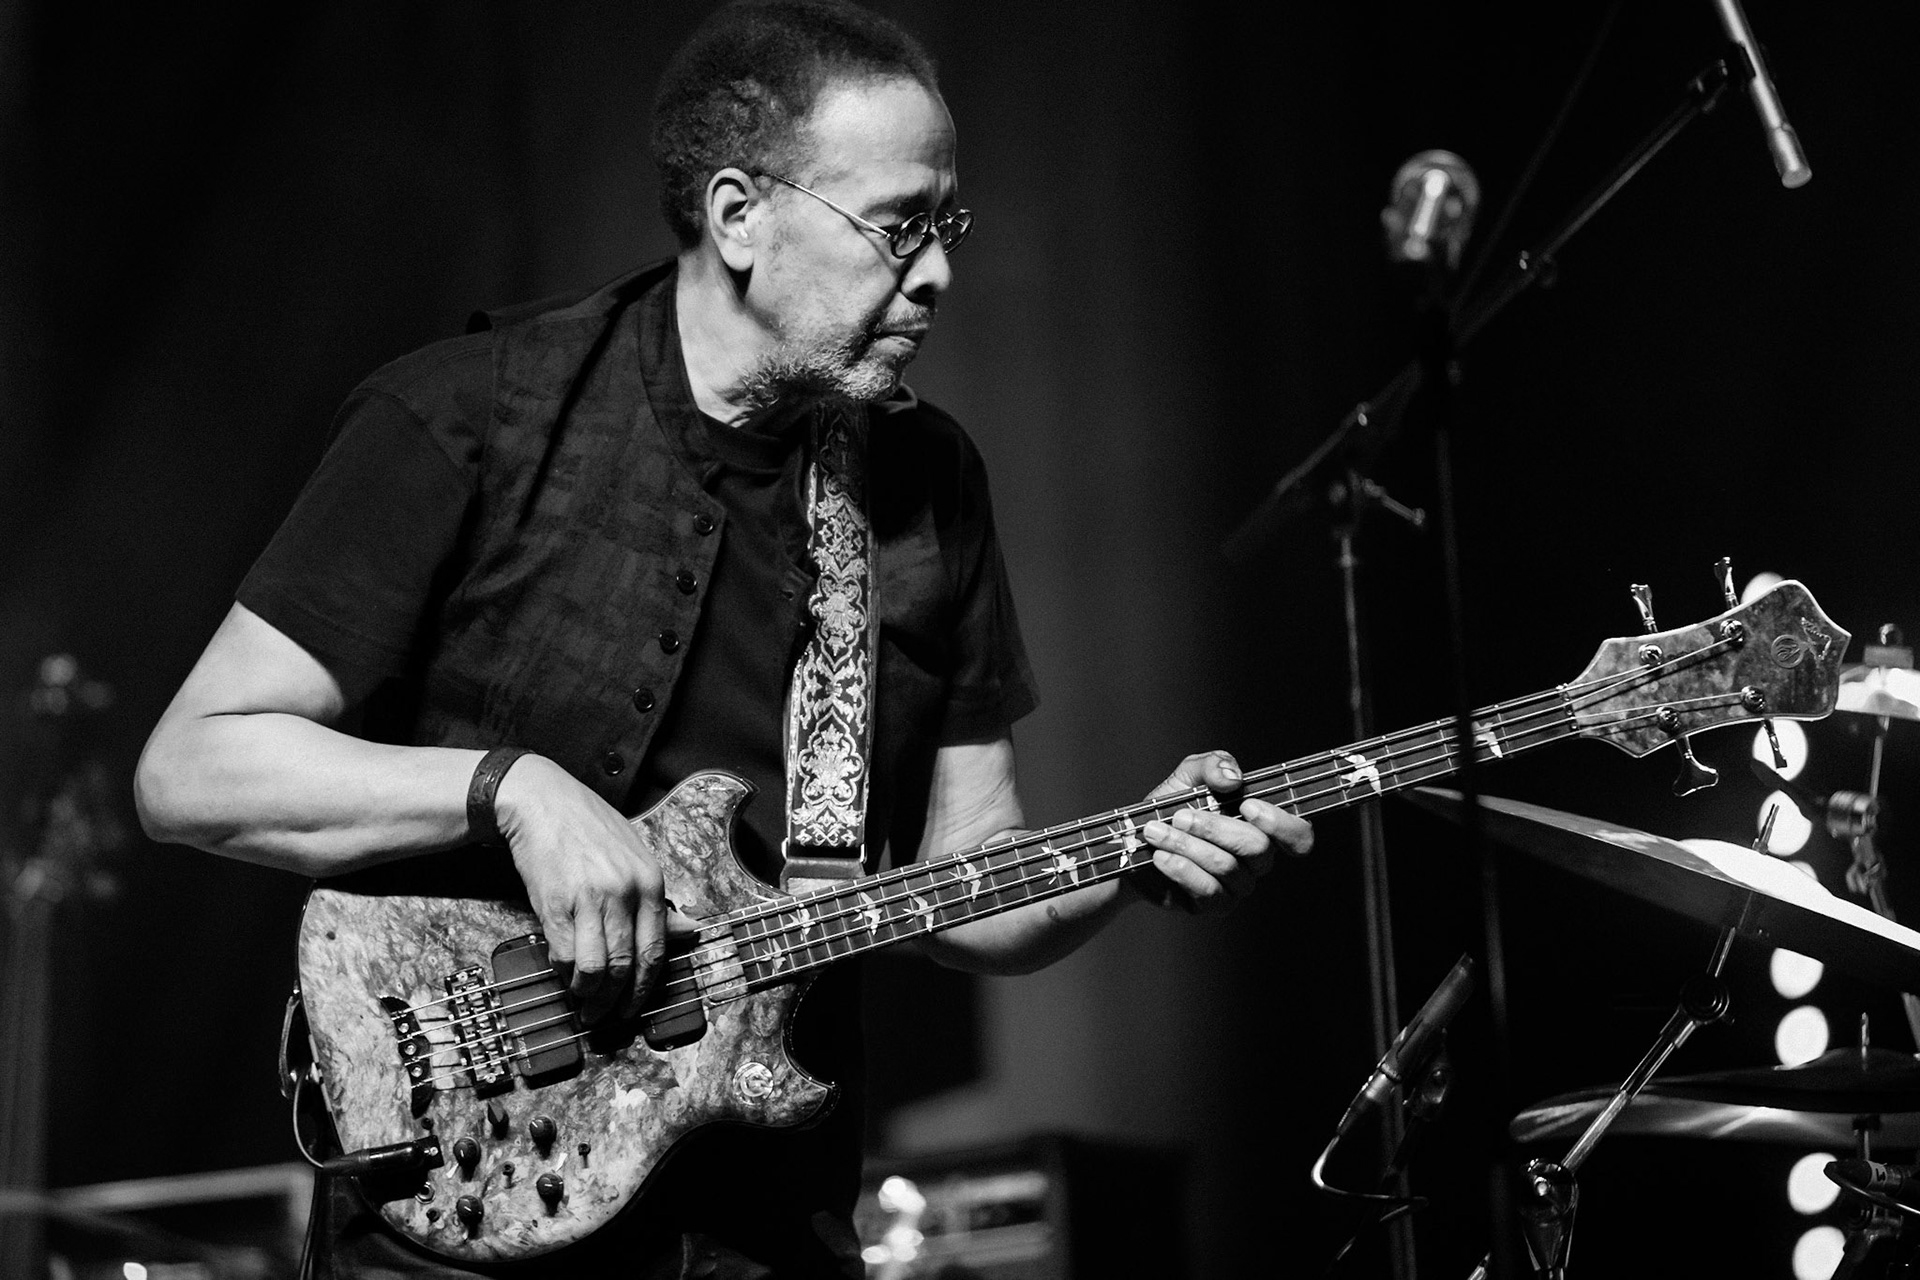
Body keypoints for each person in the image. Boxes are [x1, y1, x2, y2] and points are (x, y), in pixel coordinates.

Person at [134, 2, 1311, 1276]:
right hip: (467, 1201)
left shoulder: (925, 480)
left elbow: (970, 881)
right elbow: (191, 768)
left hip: (764, 1220)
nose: (936, 274)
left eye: (946, 225)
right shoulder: (471, 415)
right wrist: (513, 790)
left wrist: (1134, 857)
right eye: (898, 225)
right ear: (740, 216)